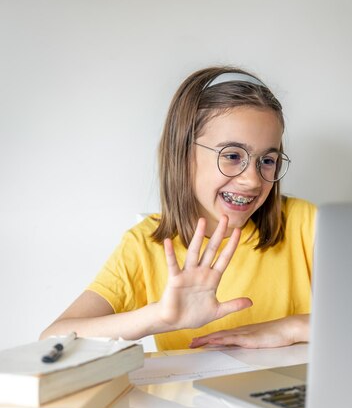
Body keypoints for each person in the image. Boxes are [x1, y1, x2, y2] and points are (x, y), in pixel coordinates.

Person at [40, 67, 316, 349]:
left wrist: (291, 327)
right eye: (233, 156)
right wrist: (159, 317)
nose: (252, 180)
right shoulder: (144, 246)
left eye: (267, 160)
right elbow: (52, 340)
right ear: (183, 155)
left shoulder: (304, 224)